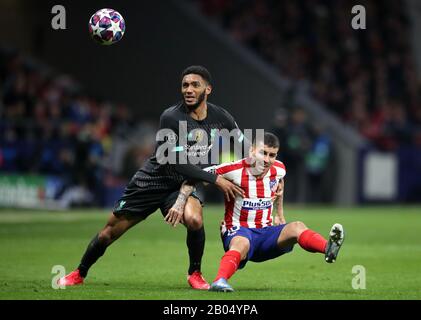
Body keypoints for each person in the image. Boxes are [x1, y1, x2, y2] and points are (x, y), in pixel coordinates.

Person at [58, 65, 246, 290]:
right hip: (152, 181)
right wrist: (217, 178)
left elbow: (243, 146)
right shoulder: (171, 117)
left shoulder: (221, 117)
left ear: (208, 89)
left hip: (180, 185)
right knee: (110, 232)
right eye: (185, 85)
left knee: (195, 220)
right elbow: (179, 164)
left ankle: (195, 273)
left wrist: (263, 166)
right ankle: (79, 272)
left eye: (195, 85)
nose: (188, 89)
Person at [168, 132, 345, 292]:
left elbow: (279, 187)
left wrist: (280, 214)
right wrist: (180, 202)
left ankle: (328, 249)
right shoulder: (233, 170)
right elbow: (193, 178)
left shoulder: (279, 169)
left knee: (297, 226)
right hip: (238, 230)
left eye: (272, 155)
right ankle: (219, 281)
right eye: (263, 153)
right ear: (252, 151)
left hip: (266, 233)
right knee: (242, 243)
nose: (267, 160)